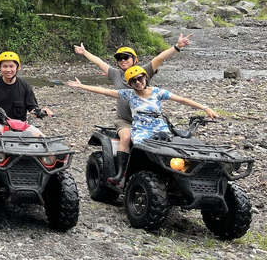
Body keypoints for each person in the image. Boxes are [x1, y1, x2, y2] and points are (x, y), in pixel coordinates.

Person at [66, 66, 220, 186]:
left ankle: (179, 174)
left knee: (174, 148)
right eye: (133, 81)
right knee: (140, 147)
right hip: (141, 130)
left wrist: (205, 108)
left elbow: (183, 100)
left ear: (145, 77)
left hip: (160, 128)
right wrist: (82, 86)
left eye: (140, 78)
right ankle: (122, 173)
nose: (138, 82)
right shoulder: (129, 94)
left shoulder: (158, 92)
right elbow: (105, 91)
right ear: (130, 83)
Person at [73, 33, 192, 181]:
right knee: (127, 137)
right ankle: (121, 175)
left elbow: (160, 58)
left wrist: (177, 46)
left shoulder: (143, 72)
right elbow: (99, 63)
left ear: (134, 59)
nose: (122, 61)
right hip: (125, 120)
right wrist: (85, 53)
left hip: (146, 120)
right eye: (119, 58)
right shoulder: (116, 74)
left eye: (126, 57)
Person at [0, 51, 53, 137]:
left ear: (17, 67)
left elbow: (32, 108)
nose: (8, 70)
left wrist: (42, 111)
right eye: (5, 66)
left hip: (19, 124)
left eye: (11, 66)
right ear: (0, 67)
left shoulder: (25, 86)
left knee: (43, 139)